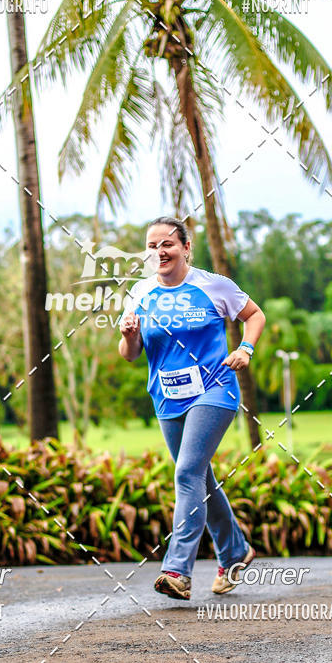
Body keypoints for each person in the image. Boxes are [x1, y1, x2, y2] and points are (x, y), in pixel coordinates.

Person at [118, 217, 266, 601]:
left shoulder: (213, 285)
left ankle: (177, 570)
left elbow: (254, 315)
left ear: (185, 248)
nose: (159, 252)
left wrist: (245, 349)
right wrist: (128, 336)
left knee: (186, 472)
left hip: (215, 389)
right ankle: (235, 551)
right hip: (167, 397)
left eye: (167, 244)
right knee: (201, 480)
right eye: (152, 246)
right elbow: (130, 356)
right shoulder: (139, 292)